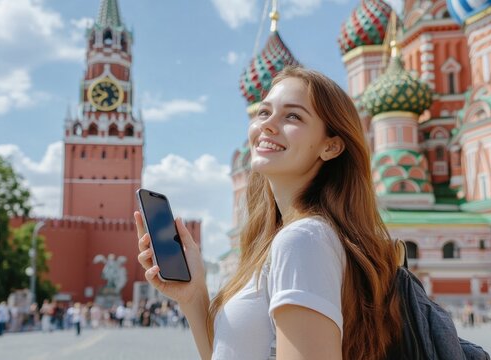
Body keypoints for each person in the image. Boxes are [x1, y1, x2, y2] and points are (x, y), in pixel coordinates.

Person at [136, 66, 402, 359]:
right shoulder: (290, 240)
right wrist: (194, 295)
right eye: (263, 112)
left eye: (293, 116)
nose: (267, 124)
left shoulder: (303, 240)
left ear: (331, 146)